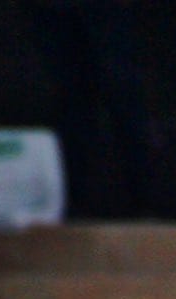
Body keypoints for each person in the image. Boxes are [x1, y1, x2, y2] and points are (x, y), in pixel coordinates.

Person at [23, 0, 153, 217]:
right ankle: (73, 202)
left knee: (121, 93)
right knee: (70, 102)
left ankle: (144, 199)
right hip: (53, 11)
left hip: (106, 10)